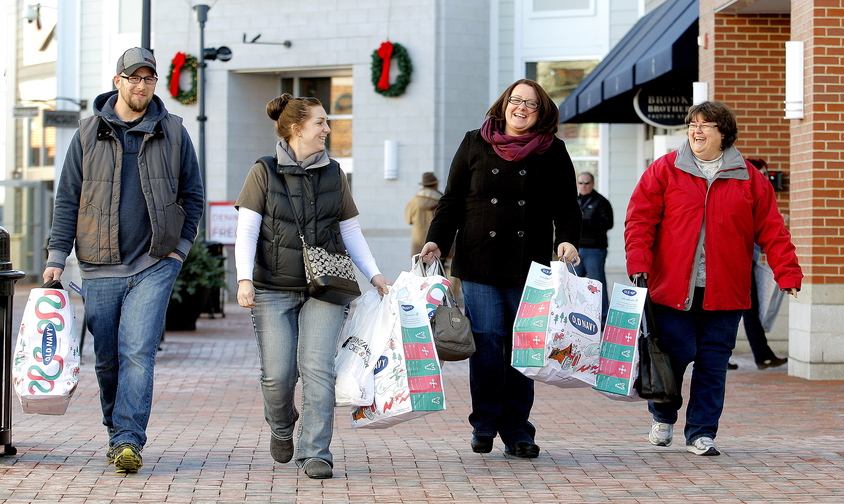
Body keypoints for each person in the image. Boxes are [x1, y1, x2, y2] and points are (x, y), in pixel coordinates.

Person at [43, 47, 205, 473]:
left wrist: (179, 249)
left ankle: (130, 438)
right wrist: (56, 256)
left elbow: (193, 195)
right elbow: (67, 200)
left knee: (138, 352)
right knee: (109, 358)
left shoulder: (173, 131)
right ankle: (116, 434)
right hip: (99, 265)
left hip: (154, 263)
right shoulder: (87, 133)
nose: (141, 86)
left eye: (149, 79)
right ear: (118, 81)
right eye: (134, 78)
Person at [625, 100, 802, 457]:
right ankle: (663, 413)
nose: (697, 130)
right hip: (672, 287)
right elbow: (640, 219)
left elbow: (772, 228)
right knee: (675, 354)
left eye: (706, 125)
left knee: (713, 362)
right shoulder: (665, 170)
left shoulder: (748, 176)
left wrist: (787, 271)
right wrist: (639, 262)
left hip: (726, 291)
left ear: (724, 133)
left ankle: (701, 433)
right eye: (693, 124)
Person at [421, 79, 582, 459]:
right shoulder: (474, 141)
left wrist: (569, 238)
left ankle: (517, 430)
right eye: (516, 100)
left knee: (522, 347)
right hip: (479, 259)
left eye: (531, 104)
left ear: (541, 113)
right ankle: (485, 423)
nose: (522, 108)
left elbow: (567, 205)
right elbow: (453, 200)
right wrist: (436, 241)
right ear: (504, 104)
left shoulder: (553, 150)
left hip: (529, 263)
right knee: (489, 339)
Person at [234, 94, 390, 479]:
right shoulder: (263, 171)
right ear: (295, 128)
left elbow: (349, 230)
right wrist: (243, 279)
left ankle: (316, 451)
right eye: (320, 122)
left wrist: (374, 274)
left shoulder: (334, 174)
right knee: (278, 375)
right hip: (272, 285)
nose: (328, 129)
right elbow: (247, 231)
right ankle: (283, 424)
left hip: (326, 286)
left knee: (318, 368)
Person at [735, 157, 789, 370]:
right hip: (740, 263)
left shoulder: (757, 195)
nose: (767, 179)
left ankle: (763, 354)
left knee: (750, 310)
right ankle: (761, 355)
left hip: (749, 261)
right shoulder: (746, 194)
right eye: (764, 174)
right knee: (749, 310)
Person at [573, 171, 613, 325]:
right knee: (573, 284)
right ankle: (573, 318)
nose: (584, 186)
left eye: (587, 182)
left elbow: (608, 223)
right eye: (580, 183)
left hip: (594, 250)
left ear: (593, 184)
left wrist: (586, 223)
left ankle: (603, 319)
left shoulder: (601, 201)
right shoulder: (575, 201)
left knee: (597, 284)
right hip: (576, 250)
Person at [405, 172, 443, 256]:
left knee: (420, 268)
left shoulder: (413, 201)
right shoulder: (442, 201)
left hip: (418, 244)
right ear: (435, 184)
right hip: (437, 243)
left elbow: (408, 220)